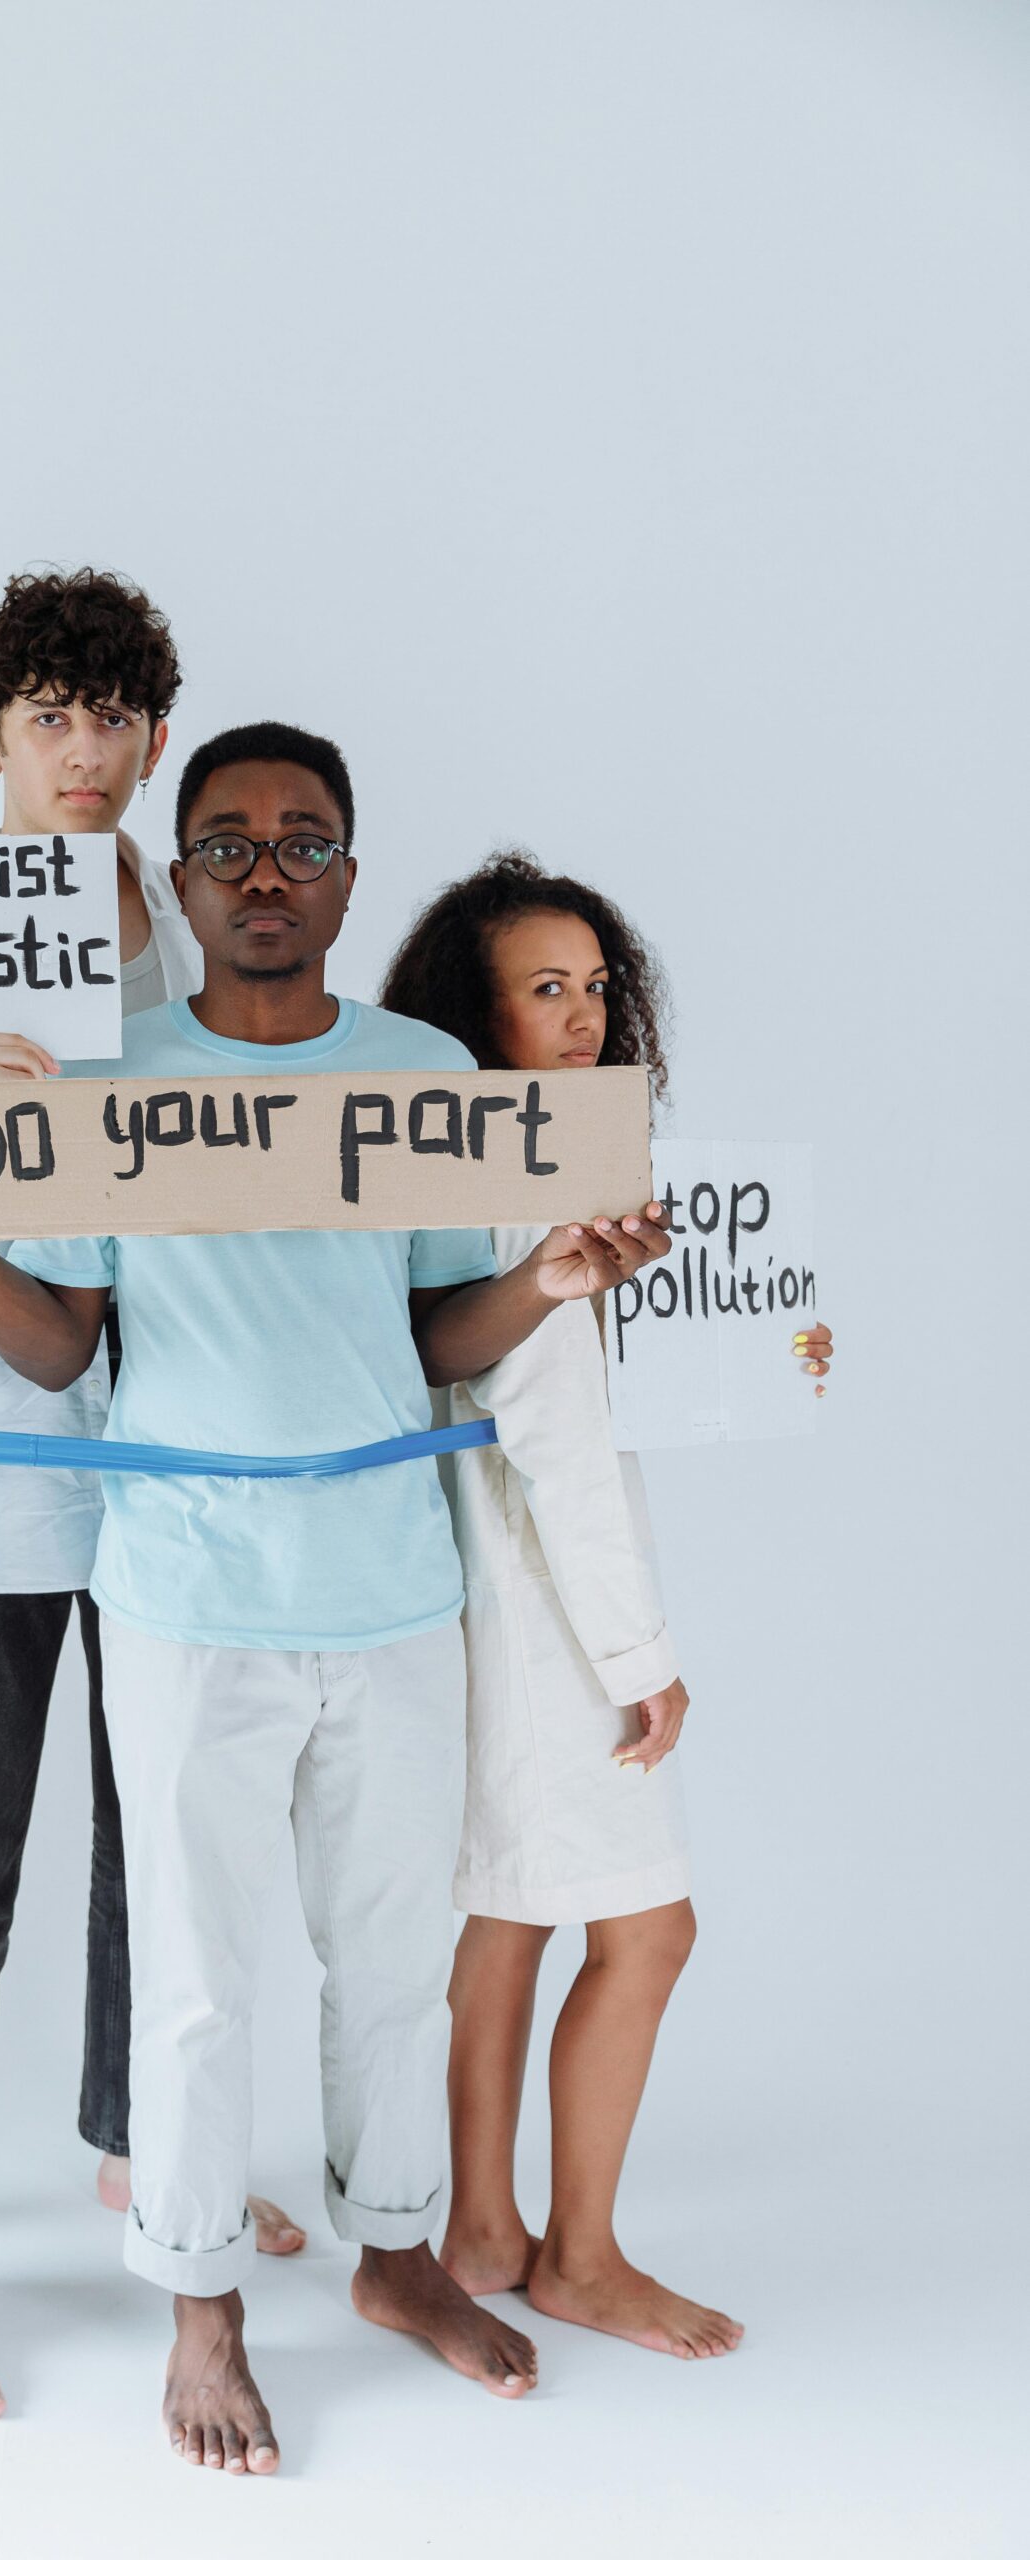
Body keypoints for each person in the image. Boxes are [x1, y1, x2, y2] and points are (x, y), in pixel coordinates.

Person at [0, 725, 675, 2473]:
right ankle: (202, 2306)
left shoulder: (422, 1072)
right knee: (204, 1977)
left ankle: (394, 2259)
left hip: (387, 1602)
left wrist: (545, 1277)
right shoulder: (111, 1082)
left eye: (304, 843)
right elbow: (66, 1350)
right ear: (189, 876)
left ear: (351, 880)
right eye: (228, 844)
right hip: (186, 1604)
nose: (266, 871)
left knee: (385, 1964)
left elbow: (439, 1334)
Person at [0, 572, 303, 2429]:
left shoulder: (197, 939)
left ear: (154, 740)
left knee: (156, 1844)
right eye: (50, 720)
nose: (86, 753)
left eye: (115, 720)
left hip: (177, 1460)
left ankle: (129, 2142)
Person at [380, 850, 832, 2359]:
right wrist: (644, 1657)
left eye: (595, 989)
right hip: (546, 1613)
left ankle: (486, 2227)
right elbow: (558, 1446)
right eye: (544, 989)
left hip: (471, 1601)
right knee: (648, 1931)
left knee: (504, 1914)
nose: (580, 1019)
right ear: (472, 1011)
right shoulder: (531, 1174)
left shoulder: (460, 1168)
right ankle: (581, 2253)